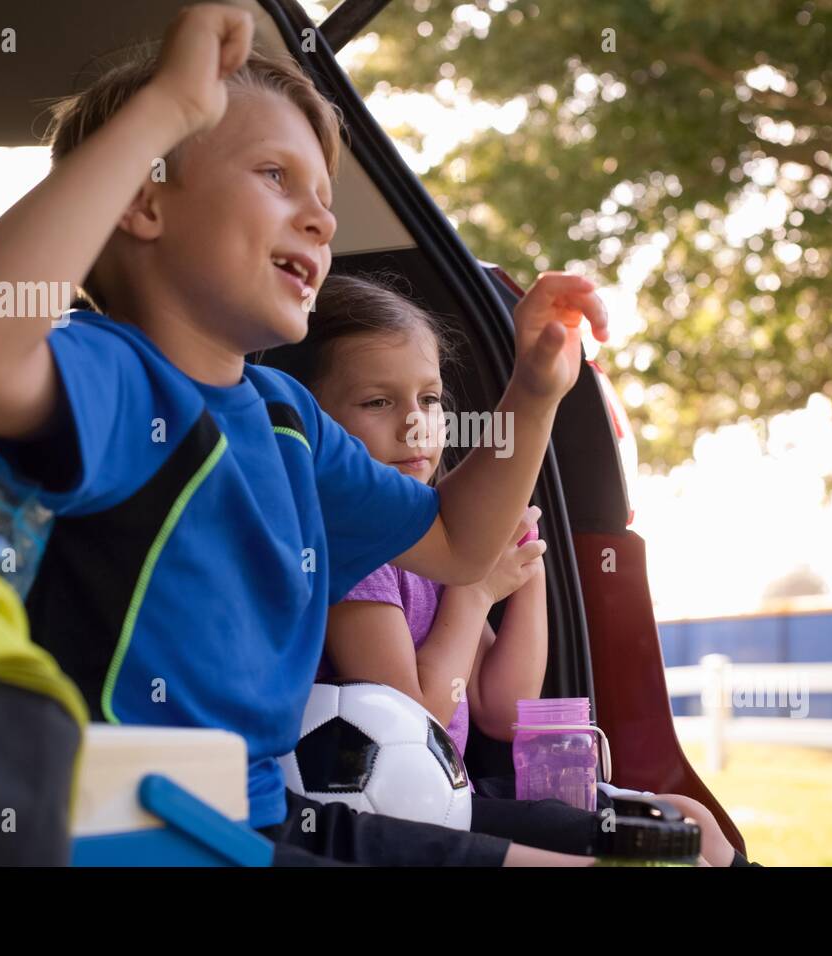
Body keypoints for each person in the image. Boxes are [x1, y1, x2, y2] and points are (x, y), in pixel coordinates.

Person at [0, 4, 608, 866]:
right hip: (134, 832)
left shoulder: (286, 418)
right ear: (143, 200)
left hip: (263, 811)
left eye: (323, 198)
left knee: (645, 849)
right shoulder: (112, 378)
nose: (321, 221)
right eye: (276, 177)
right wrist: (167, 108)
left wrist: (533, 393)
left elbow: (461, 542)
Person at [269, 272, 753, 866]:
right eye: (377, 402)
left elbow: (503, 707)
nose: (415, 424)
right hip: (401, 812)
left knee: (693, 823)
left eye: (429, 400)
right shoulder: (360, 550)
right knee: (662, 846)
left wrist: (524, 564)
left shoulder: (433, 546)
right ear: (316, 426)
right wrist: (473, 593)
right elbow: (417, 716)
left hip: (455, 794)